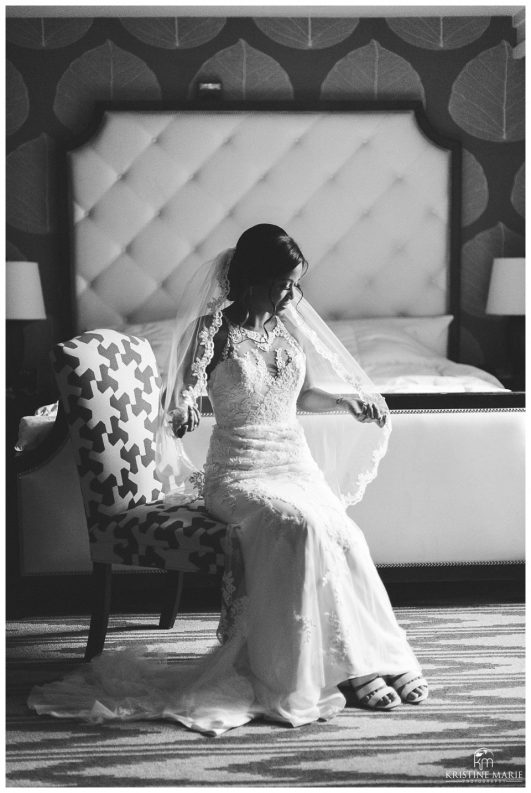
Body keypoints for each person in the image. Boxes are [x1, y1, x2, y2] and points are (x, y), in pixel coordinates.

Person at [28, 224, 427, 736]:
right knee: (296, 526)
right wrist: (186, 409)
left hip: (293, 463)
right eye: (283, 282)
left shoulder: (288, 328)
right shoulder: (211, 331)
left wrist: (345, 401)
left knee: (346, 533)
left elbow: (303, 395)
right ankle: (335, 669)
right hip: (239, 471)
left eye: (295, 283)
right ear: (253, 277)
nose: (291, 294)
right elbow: (183, 397)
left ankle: (370, 657)